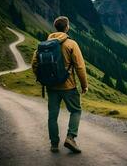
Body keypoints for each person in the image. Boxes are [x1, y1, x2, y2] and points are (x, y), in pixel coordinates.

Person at [32, 16, 88, 153]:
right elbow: (80, 67)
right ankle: (70, 137)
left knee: (52, 115)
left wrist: (44, 79)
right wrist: (84, 85)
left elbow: (34, 64)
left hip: (51, 87)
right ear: (67, 27)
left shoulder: (44, 44)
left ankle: (54, 144)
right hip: (68, 86)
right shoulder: (71, 44)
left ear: (55, 27)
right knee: (75, 111)